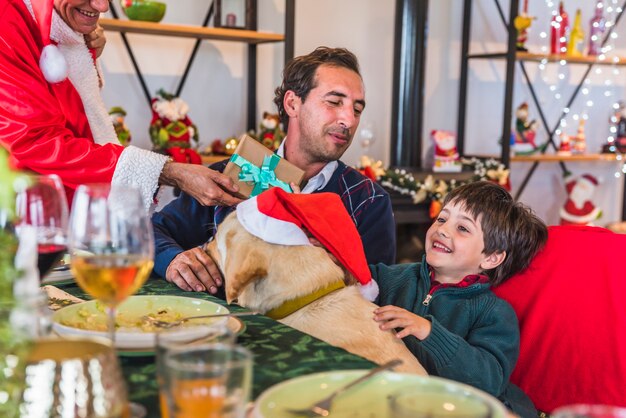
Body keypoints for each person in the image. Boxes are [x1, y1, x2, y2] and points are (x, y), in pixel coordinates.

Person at [152, 46, 396, 294]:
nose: (349, 120)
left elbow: (378, 297)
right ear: (292, 103)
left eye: (357, 109)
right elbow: (150, 231)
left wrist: (339, 274)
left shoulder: (369, 201)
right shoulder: (230, 174)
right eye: (334, 102)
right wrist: (172, 260)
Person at [0, 0, 242, 212]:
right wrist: (170, 173)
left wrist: (84, 47)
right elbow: (37, 142)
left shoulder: (59, 21)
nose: (102, 6)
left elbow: (72, 114)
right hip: (24, 223)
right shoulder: (7, 23)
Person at [371, 181, 547, 417]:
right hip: (401, 400)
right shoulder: (395, 277)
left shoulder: (493, 312)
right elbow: (355, 277)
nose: (442, 230)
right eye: (442, 219)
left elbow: (489, 380)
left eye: (462, 228)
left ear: (492, 258)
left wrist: (429, 332)